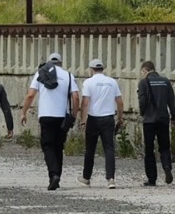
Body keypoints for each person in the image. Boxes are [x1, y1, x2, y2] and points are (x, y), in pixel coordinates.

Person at [20, 52, 79, 190]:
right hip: (62, 116)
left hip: (46, 115)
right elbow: (76, 97)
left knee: (47, 145)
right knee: (58, 146)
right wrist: (74, 115)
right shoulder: (68, 75)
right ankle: (57, 175)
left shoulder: (41, 73)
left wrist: (23, 112)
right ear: (61, 63)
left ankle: (53, 175)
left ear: (49, 62)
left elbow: (30, 95)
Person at [79, 58, 122, 188]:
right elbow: (120, 102)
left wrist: (82, 121)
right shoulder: (112, 82)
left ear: (91, 69)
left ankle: (86, 177)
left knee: (90, 149)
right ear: (102, 69)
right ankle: (111, 179)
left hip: (93, 118)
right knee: (109, 148)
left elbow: (85, 103)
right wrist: (120, 118)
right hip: (108, 118)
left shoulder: (88, 82)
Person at [137, 60, 175, 187]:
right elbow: (171, 100)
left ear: (145, 70)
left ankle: (152, 178)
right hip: (163, 118)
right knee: (164, 146)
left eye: (142, 72)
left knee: (149, 149)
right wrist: (174, 117)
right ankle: (167, 167)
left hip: (149, 120)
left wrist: (142, 113)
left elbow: (142, 100)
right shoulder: (165, 81)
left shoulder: (143, 83)